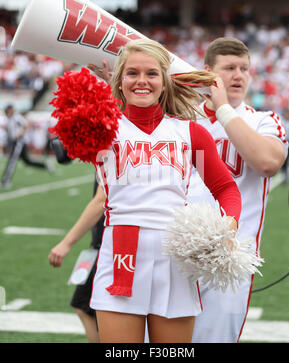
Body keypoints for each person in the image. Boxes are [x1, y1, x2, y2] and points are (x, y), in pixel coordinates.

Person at [81, 38, 242, 343]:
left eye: (151, 73)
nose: (142, 81)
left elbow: (226, 189)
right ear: (119, 79)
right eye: (132, 73)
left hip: (175, 260)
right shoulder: (104, 130)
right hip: (120, 259)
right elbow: (68, 135)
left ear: (165, 81)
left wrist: (229, 225)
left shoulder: (190, 132)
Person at [187, 37, 288, 343]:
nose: (239, 75)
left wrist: (223, 111)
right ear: (208, 73)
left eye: (244, 68)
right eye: (229, 68)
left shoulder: (263, 120)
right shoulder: (181, 119)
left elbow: (268, 162)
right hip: (174, 257)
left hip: (228, 263)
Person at [49, 178, 105, 343]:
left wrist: (66, 243)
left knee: (84, 305)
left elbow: (101, 200)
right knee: (84, 306)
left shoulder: (116, 153)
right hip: (104, 242)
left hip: (110, 244)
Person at [0, 104, 53, 188]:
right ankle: (45, 165)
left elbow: (26, 125)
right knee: (27, 161)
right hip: (14, 142)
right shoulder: (9, 118)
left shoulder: (16, 117)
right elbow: (10, 129)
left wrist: (19, 133)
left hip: (18, 142)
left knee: (12, 161)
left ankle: (5, 181)